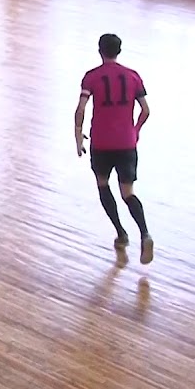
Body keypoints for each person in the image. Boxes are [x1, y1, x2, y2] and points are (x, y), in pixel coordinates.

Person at [75, 33, 153, 265]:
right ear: (119, 51)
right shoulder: (133, 76)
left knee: (103, 184)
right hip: (126, 143)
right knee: (127, 192)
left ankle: (121, 233)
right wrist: (135, 130)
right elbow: (146, 110)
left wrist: (78, 135)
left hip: (101, 142)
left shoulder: (91, 77)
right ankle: (145, 233)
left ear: (100, 51)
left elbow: (81, 109)